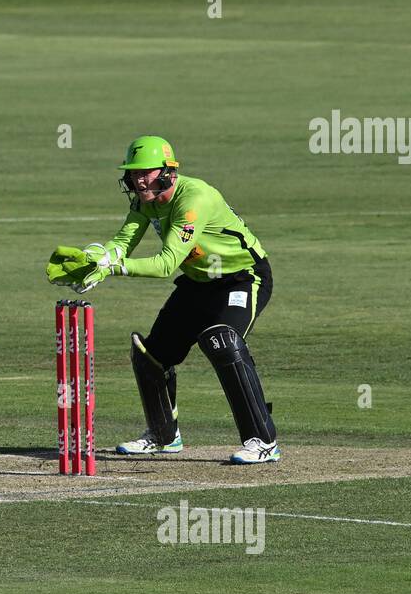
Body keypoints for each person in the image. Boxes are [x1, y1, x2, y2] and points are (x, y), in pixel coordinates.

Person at [47, 135, 280, 464]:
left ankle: (263, 440)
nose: (138, 179)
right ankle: (163, 436)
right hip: (198, 282)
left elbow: (166, 264)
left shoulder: (193, 199)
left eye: (146, 172)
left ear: (168, 171)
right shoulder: (145, 200)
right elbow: (124, 240)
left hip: (242, 277)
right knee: (151, 356)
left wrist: (114, 267)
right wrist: (96, 259)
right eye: (133, 173)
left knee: (223, 341)